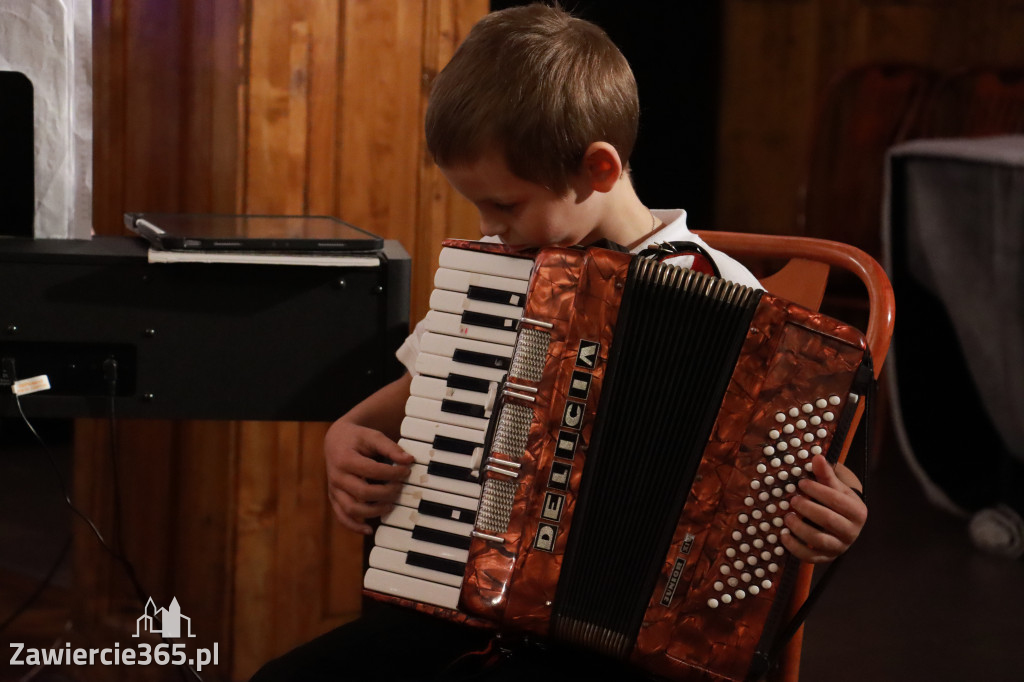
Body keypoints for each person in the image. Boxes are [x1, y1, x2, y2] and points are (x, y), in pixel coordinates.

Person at [253, 4, 867, 680]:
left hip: (633, 653)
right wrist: (344, 433)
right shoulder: (497, 279)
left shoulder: (737, 302)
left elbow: (800, 477)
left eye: (506, 205)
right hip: (473, 610)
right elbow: (409, 393)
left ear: (598, 169)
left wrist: (835, 512)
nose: (491, 230)